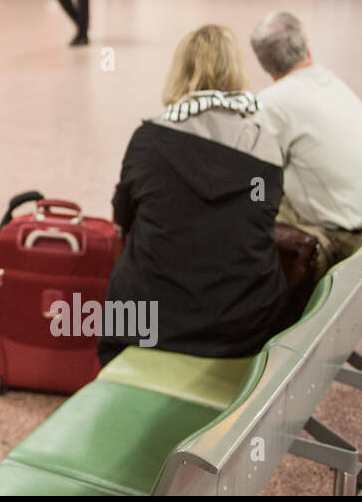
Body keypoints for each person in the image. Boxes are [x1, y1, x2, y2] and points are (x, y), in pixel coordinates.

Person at [98, 24, 294, 366]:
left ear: (179, 72)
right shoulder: (266, 146)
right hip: (247, 323)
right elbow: (263, 217)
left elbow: (122, 218)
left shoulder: (149, 140)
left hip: (147, 322)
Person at [249, 11, 362, 267]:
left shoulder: (271, 104)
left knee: (248, 205)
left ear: (263, 63)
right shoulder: (331, 81)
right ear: (307, 49)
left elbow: (253, 173)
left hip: (348, 235)